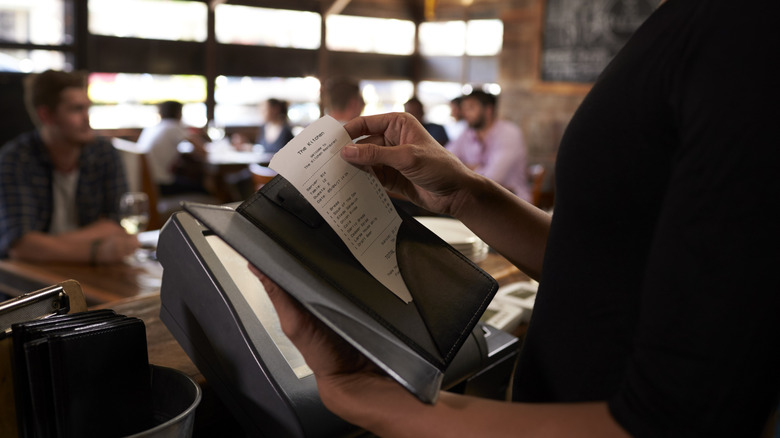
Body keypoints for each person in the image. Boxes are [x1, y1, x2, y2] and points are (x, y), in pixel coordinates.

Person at [250, 0, 780, 436]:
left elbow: (678, 423)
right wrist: (464, 195)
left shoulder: (748, 32)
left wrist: (365, 393)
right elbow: (619, 268)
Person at [0, 70, 138, 264]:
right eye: (76, 109)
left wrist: (44, 245)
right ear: (46, 115)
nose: (86, 118)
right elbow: (20, 246)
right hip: (31, 282)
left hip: (88, 275)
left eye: (87, 109)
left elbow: (118, 223)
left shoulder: (104, 153)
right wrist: (96, 251)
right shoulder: (16, 159)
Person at [446, 90, 531, 201]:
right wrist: (476, 168)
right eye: (464, 109)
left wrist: (465, 167)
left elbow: (493, 179)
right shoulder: (467, 133)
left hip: (511, 202)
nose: (465, 113)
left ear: (488, 110)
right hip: (476, 199)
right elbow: (445, 158)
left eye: (471, 108)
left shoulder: (509, 133)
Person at [136, 100, 210, 196]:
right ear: (179, 113)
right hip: (161, 184)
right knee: (204, 190)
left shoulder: (153, 127)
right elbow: (203, 151)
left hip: (148, 181)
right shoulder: (173, 126)